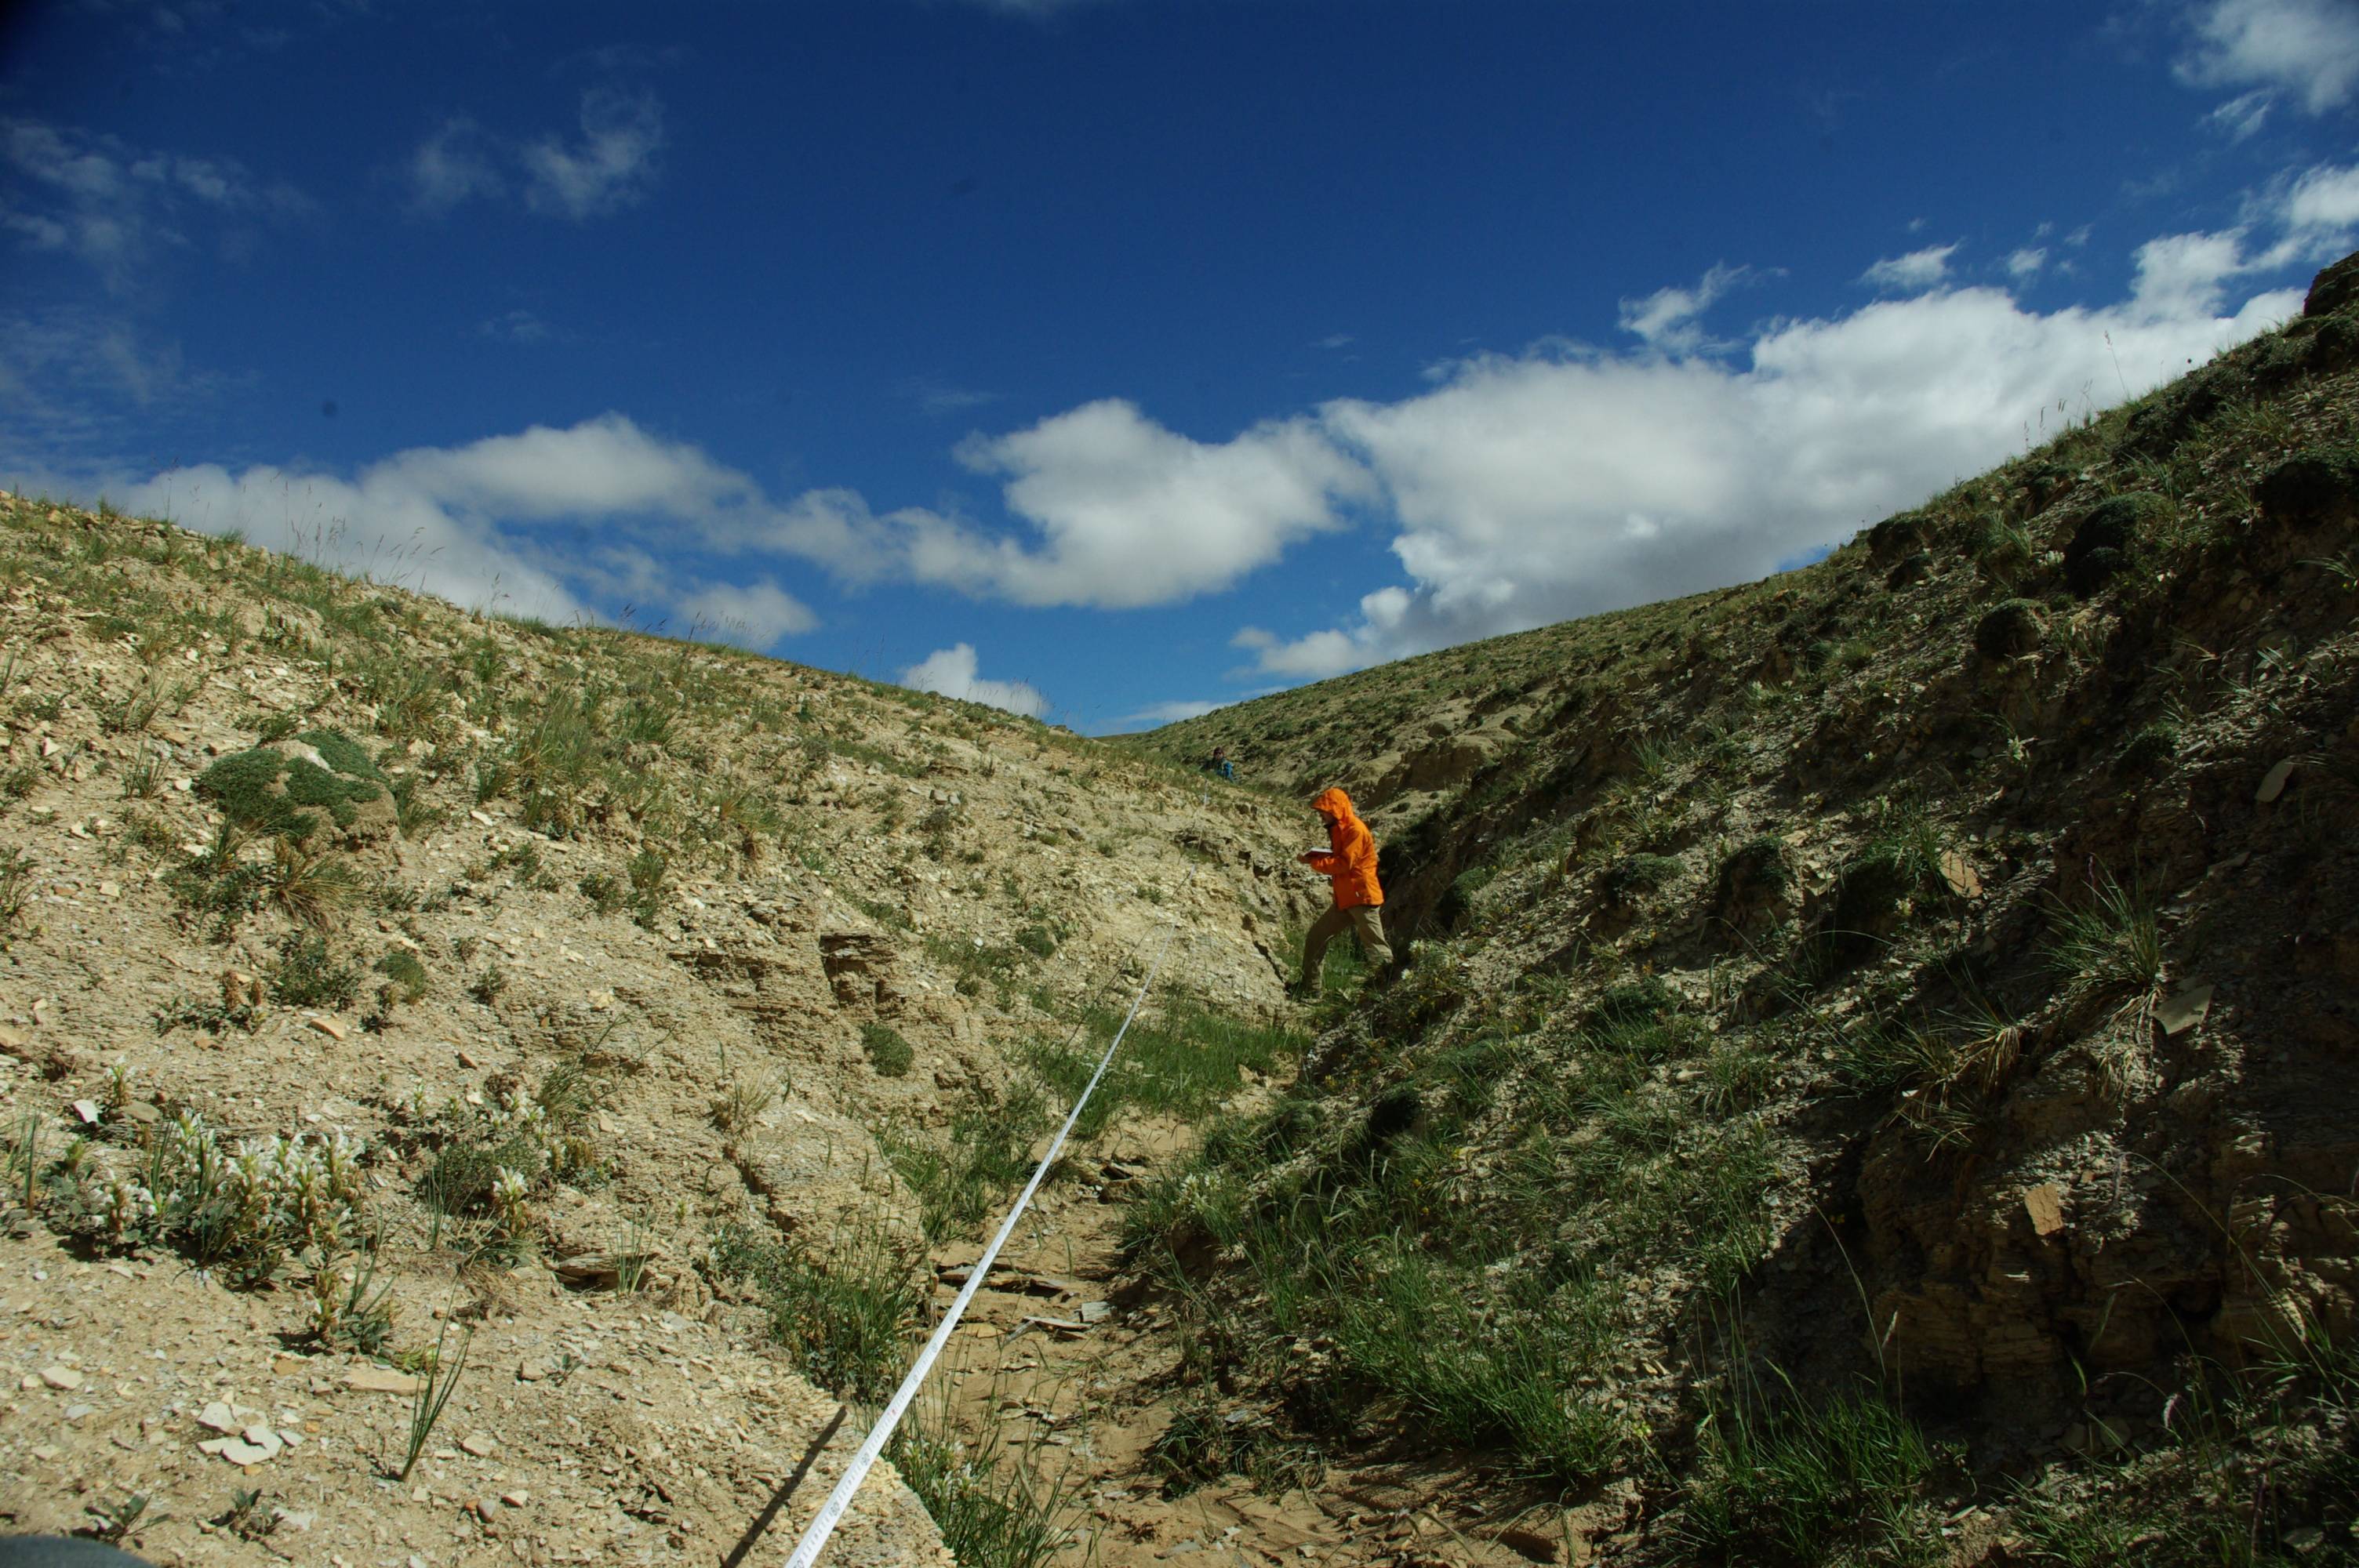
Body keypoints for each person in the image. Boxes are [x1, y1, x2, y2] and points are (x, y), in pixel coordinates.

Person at [1292, 786, 1392, 996]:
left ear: (1335, 810)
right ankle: (1310, 991)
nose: (1321, 817)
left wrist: (1315, 864)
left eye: (1323, 813)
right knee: (1316, 938)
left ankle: (1389, 994)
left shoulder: (1355, 830)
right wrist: (1318, 859)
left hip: (1361, 897)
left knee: (1376, 949)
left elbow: (1344, 864)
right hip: (1346, 898)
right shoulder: (1340, 829)